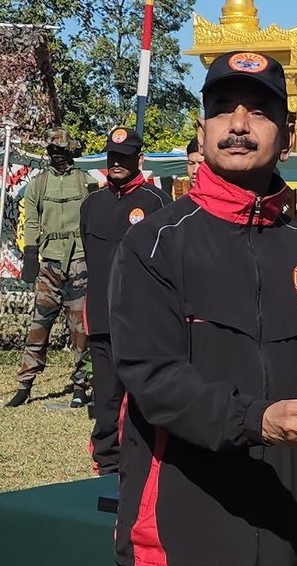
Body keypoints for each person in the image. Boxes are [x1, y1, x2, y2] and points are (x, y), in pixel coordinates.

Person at [109, 50, 297, 566]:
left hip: (280, 544)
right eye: (223, 109)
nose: (239, 124)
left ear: (287, 135)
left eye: (259, 111)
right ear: (202, 130)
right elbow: (154, 378)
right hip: (177, 551)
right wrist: (256, 419)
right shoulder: (153, 244)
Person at [79, 126, 171, 475]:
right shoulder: (92, 204)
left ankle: (144, 460)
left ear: (140, 159)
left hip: (142, 320)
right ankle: (107, 463)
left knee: (144, 395)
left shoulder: (157, 203)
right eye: (113, 156)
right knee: (106, 396)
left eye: (125, 157)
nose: (117, 163)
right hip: (101, 316)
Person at [8, 127, 97, 408]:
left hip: (80, 262)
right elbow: (32, 221)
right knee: (39, 324)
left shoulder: (87, 182)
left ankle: (81, 386)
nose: (56, 155)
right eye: (51, 150)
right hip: (49, 265)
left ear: (70, 150)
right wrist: (30, 254)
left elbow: (96, 219)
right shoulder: (38, 184)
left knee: (80, 329)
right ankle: (24, 385)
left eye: (61, 150)